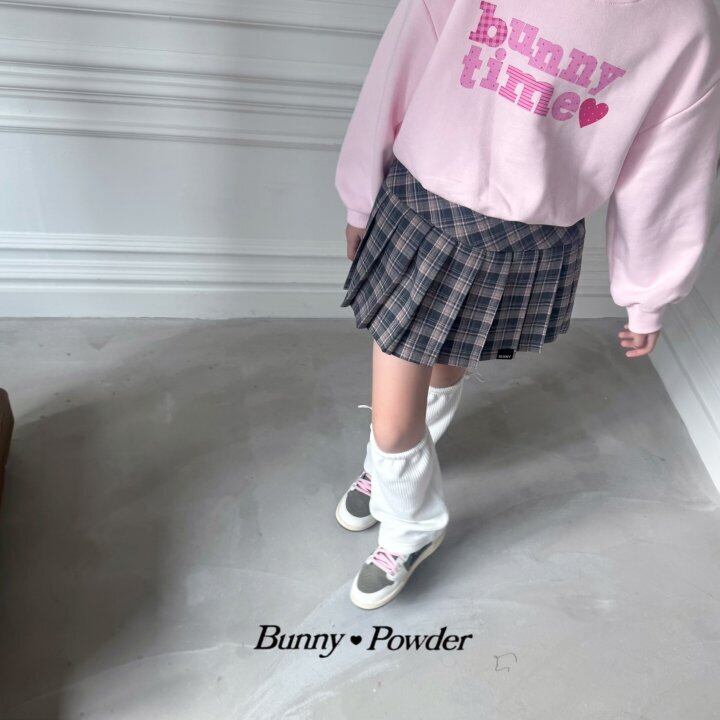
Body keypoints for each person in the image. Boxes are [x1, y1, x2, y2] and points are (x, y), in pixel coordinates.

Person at [333, 0, 720, 610]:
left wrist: (648, 293)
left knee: (448, 360)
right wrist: (362, 192)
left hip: (523, 236)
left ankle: (399, 489)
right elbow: (402, 60)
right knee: (393, 410)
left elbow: (668, 167)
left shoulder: (681, 23)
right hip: (423, 205)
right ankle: (409, 514)